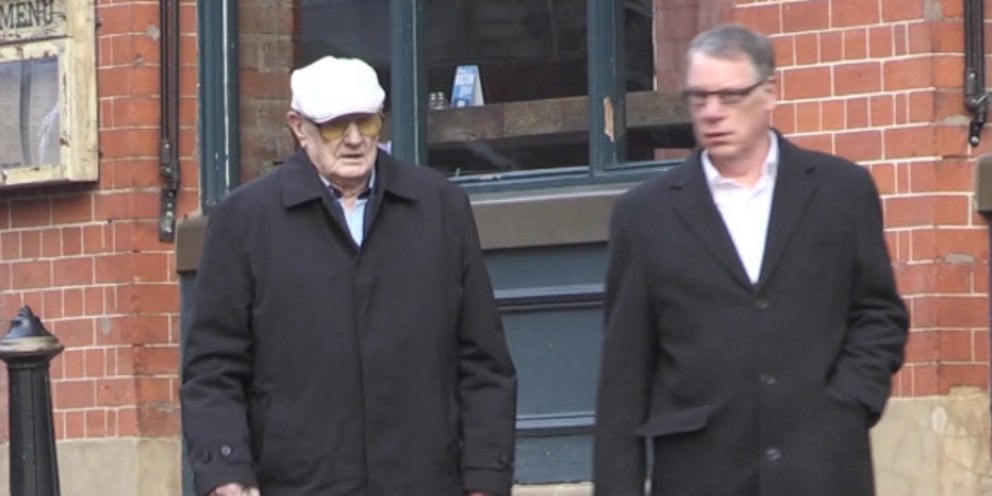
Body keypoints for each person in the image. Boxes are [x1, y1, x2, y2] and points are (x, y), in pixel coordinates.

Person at [592, 23, 909, 496]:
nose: (712, 112)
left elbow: (879, 313)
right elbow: (624, 374)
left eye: (730, 96)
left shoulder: (841, 191)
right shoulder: (644, 215)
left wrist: (849, 401)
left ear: (769, 93)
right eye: (699, 98)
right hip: (701, 472)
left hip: (821, 466)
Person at [181, 55, 517, 496]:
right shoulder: (245, 220)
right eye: (335, 126)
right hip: (298, 482)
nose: (355, 140)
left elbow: (484, 361)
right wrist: (227, 472)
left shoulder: (440, 207)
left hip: (423, 479)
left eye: (367, 122)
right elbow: (214, 366)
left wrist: (486, 476)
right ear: (299, 127)